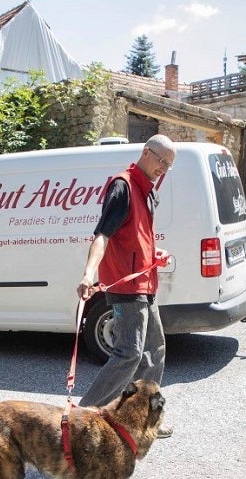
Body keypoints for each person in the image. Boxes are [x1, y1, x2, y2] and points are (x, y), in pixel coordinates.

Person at [76, 135, 176, 438]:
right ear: (147, 153)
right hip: (126, 287)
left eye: (169, 166)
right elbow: (103, 235)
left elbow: (135, 237)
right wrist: (88, 274)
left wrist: (151, 254)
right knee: (129, 354)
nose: (164, 169)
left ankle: (146, 419)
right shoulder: (123, 187)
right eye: (162, 161)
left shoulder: (147, 190)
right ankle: (82, 418)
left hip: (145, 283)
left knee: (155, 350)